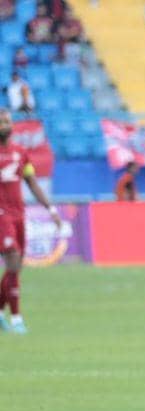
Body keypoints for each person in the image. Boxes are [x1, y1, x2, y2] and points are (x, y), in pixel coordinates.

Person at [0, 110, 62, 334]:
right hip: (1, 217)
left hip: (19, 215)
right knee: (14, 263)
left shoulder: (20, 153)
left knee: (16, 267)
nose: (5, 125)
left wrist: (51, 209)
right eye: (1, 122)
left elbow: (32, 183)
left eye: (7, 121)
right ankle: (16, 318)